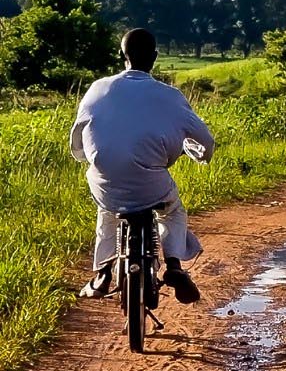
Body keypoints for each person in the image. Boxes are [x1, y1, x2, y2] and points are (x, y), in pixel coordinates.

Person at [69, 28, 215, 304]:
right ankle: (173, 266)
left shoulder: (97, 88)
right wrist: (202, 155)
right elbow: (205, 140)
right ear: (155, 57)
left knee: (107, 212)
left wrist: (86, 158)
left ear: (121, 55)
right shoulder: (170, 95)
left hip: (105, 181)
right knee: (172, 212)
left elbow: (77, 138)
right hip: (152, 185)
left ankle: (102, 273)